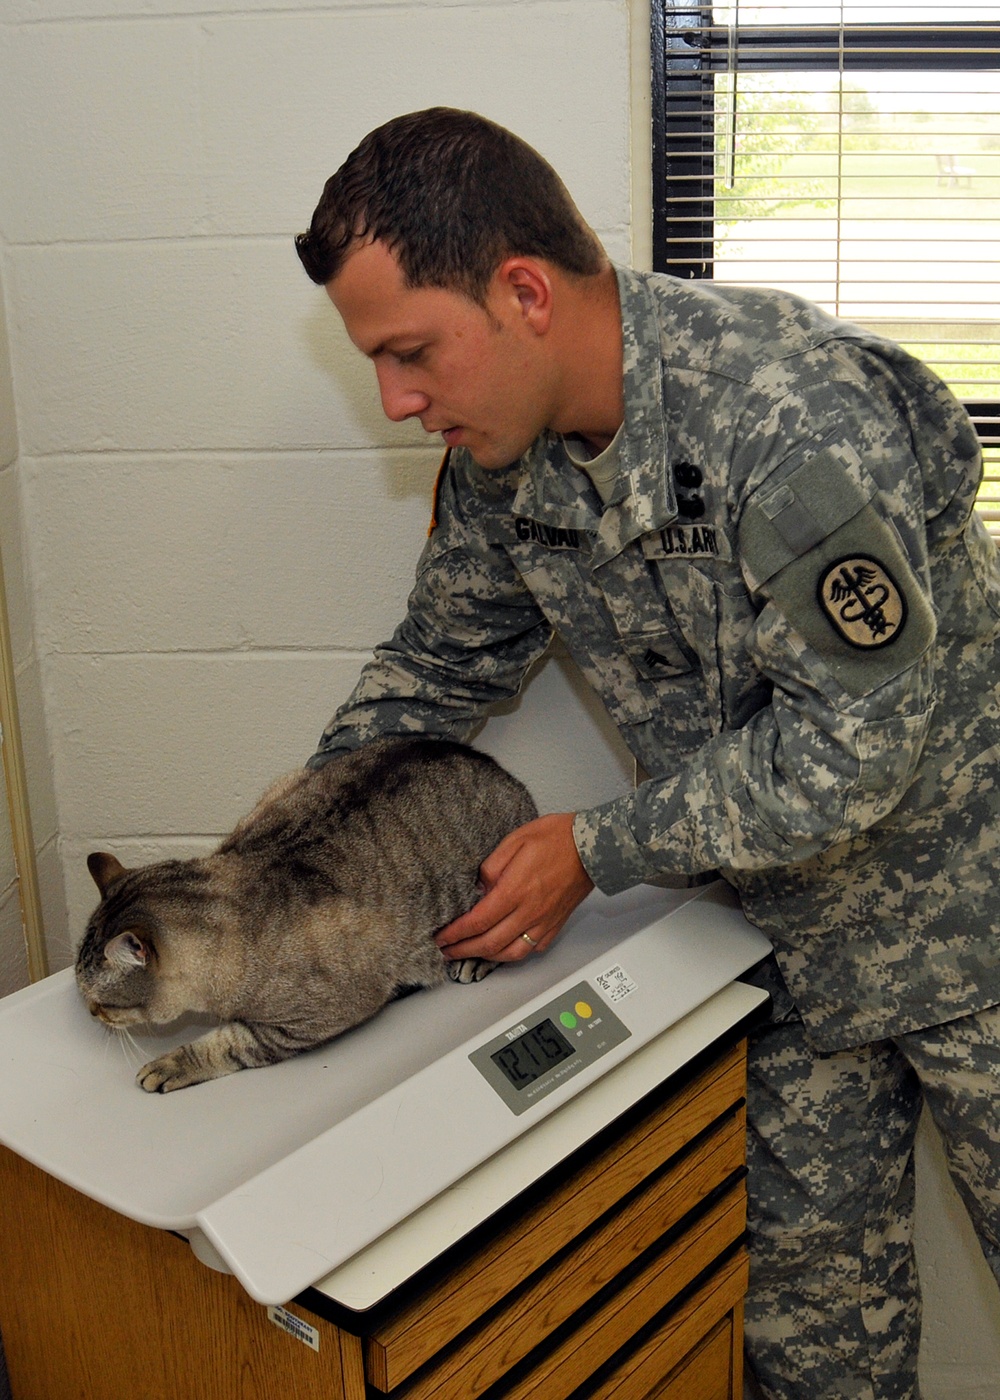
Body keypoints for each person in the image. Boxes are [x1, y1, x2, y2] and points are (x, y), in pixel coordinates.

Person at [295, 107, 1000, 1399]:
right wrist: (286, 865)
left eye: (412, 355)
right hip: (785, 960)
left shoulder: (788, 417)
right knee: (811, 1361)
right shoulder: (505, 469)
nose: (399, 402)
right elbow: (439, 667)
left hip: (973, 930)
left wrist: (596, 850)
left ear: (523, 294)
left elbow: (853, 750)